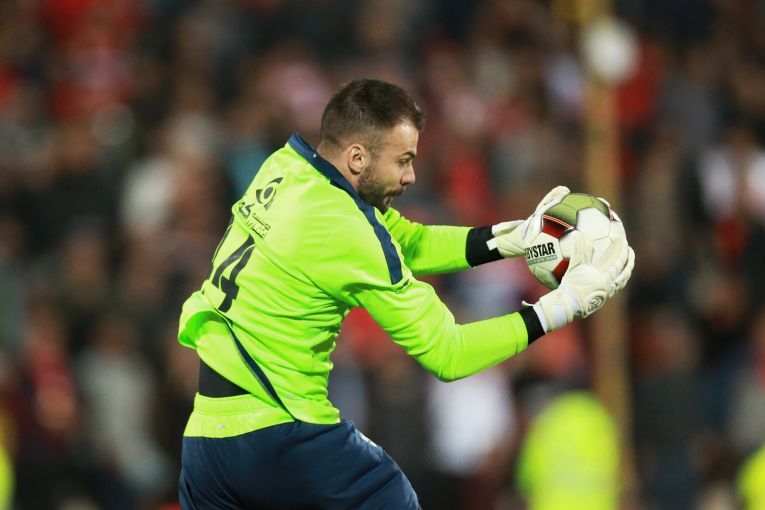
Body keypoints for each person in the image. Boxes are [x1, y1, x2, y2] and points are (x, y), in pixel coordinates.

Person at [176, 79, 634, 509]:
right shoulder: (349, 230)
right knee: (390, 494)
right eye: (403, 160)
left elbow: (405, 241)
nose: (411, 175)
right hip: (282, 434)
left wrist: (512, 237)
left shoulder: (285, 167)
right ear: (358, 158)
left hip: (206, 441)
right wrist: (562, 307)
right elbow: (449, 354)